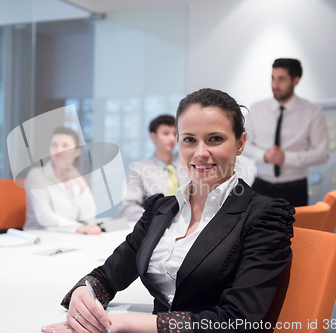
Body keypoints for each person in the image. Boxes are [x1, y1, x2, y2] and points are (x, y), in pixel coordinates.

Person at [42, 89, 294, 333]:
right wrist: (84, 293)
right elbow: (107, 275)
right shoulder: (161, 209)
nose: (200, 153)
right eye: (189, 140)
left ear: (240, 143)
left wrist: (125, 323)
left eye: (215, 139)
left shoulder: (265, 215)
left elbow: (239, 321)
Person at [244, 58, 329, 207]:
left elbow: (322, 153)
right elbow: (242, 144)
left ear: (295, 81)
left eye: (281, 79)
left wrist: (286, 158)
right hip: (261, 187)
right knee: (253, 230)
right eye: (272, 78)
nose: (274, 85)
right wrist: (264, 155)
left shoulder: (312, 112)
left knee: (294, 231)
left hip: (295, 190)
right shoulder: (257, 109)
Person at [24, 126, 101, 234]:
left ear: (77, 151)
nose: (58, 150)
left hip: (69, 237)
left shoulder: (75, 179)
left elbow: (89, 218)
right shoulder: (37, 175)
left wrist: (81, 182)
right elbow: (43, 216)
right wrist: (78, 228)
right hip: (40, 237)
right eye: (54, 145)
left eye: (65, 145)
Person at [118, 115, 189, 221]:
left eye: (175, 134)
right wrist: (157, 219)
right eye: (165, 133)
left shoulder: (188, 166)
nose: (171, 138)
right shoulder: (139, 169)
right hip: (156, 228)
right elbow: (127, 209)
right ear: (153, 136)